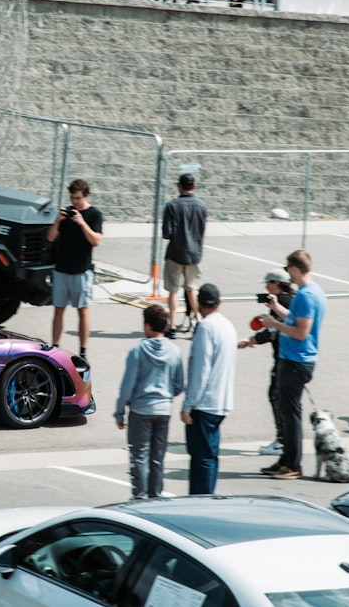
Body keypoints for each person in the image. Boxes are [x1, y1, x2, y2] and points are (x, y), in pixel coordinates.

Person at [260, 250, 327, 480]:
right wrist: (277, 308)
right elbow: (295, 318)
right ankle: (286, 460)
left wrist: (274, 324)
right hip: (294, 359)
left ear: (295, 269)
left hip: (297, 360)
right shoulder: (310, 292)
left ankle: (293, 464)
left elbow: (300, 331)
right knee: (287, 412)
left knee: (290, 415)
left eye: (288, 270)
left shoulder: (307, 295)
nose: (287, 274)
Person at [114, 305, 184, 500]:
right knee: (157, 457)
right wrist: (167, 394)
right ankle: (156, 496)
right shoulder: (175, 351)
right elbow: (179, 384)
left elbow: (127, 386)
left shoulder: (137, 351)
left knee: (139, 456)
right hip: (164, 409)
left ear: (147, 325)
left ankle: (139, 497)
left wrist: (119, 412)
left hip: (141, 410)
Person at [181, 283, 236, 495]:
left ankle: (200, 501)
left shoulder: (205, 328)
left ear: (198, 303)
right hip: (222, 400)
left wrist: (188, 405)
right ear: (219, 302)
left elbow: (200, 370)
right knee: (210, 456)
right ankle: (207, 498)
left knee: (201, 458)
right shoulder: (228, 326)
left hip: (204, 403)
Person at [238, 269, 296, 456]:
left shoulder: (281, 303)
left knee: (276, 396)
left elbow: (272, 332)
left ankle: (282, 441)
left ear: (277, 283)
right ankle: (286, 440)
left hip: (283, 359)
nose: (266, 286)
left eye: (268, 283)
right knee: (284, 399)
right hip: (289, 358)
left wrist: (251, 341)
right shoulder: (290, 300)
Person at [47, 178, 103, 360]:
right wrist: (58, 221)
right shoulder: (66, 213)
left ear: (86, 196)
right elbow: (50, 238)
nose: (74, 202)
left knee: (83, 310)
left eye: (78, 198)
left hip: (82, 271)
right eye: (72, 198)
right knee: (58, 309)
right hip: (62, 269)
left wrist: (82, 223)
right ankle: (55, 346)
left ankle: (83, 350)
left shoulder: (94, 215)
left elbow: (96, 240)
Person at [162, 173, 207, 338]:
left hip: (175, 252)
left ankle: (172, 325)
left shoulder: (172, 206)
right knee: (192, 289)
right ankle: (198, 320)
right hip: (194, 253)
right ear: (193, 186)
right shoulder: (202, 206)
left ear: (179, 186)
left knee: (173, 290)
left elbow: (167, 233)